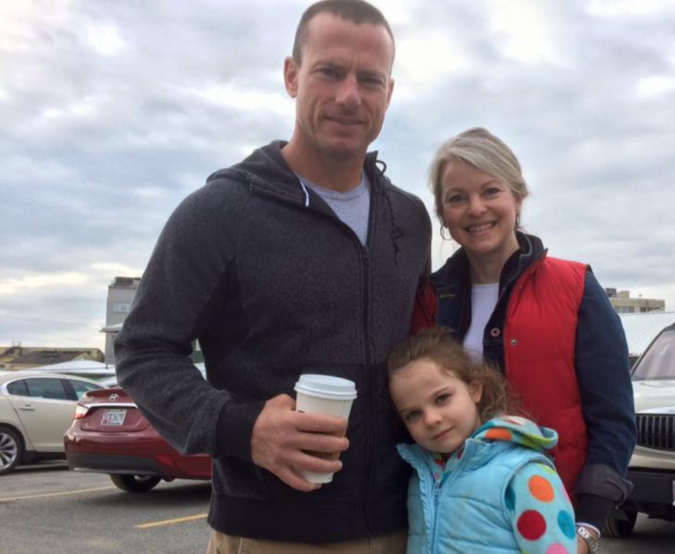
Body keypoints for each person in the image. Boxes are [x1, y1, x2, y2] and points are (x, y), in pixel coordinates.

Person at [115, 1, 431, 552]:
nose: (349, 96)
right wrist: (239, 428)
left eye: (369, 79)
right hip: (270, 532)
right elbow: (143, 350)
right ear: (292, 75)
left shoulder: (408, 219)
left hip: (403, 526)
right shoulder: (221, 211)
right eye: (329, 72)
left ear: (389, 93)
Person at [411, 127, 636, 554]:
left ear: (518, 197)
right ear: (442, 215)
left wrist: (585, 529)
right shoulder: (426, 302)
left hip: (549, 531)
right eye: (457, 198)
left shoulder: (575, 288)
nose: (476, 209)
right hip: (453, 533)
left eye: (490, 190)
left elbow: (614, 419)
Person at [388, 329, 577, 554]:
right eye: (413, 414)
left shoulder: (525, 474)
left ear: (474, 390)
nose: (431, 419)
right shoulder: (420, 477)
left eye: (441, 398)